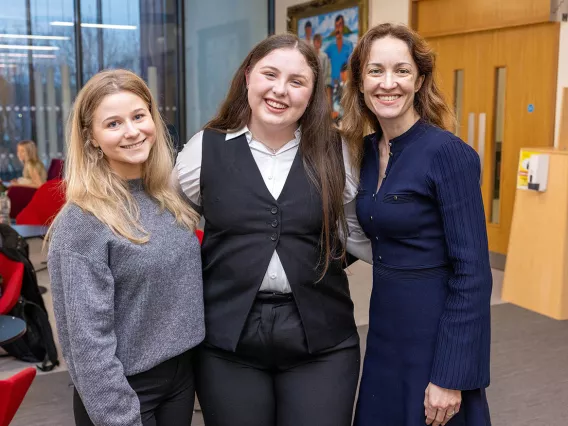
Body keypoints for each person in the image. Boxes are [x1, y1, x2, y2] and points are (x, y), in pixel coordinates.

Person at [175, 34, 371, 426]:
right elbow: (170, 229)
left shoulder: (340, 153)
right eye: (270, 74)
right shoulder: (204, 148)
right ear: (249, 75)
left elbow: (358, 232)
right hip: (228, 341)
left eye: (297, 81)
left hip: (322, 341)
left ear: (313, 92)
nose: (280, 90)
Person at [341, 23, 492, 426]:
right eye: (375, 71)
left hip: (434, 337)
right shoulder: (369, 152)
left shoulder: (447, 154)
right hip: (386, 334)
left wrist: (451, 375)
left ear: (419, 80)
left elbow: (473, 273)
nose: (387, 83)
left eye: (401, 71)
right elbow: (380, 234)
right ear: (358, 81)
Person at [47, 69, 204, 426]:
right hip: (122, 393)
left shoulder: (168, 197)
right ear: (92, 138)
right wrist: (119, 415)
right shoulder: (82, 221)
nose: (132, 131)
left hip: (179, 378)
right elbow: (87, 343)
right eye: (113, 124)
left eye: (138, 116)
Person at [325, 14, 353, 85]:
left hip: (346, 82)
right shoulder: (330, 46)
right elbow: (321, 59)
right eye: (336, 26)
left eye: (340, 25)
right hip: (333, 82)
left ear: (343, 27)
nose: (338, 29)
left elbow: (352, 64)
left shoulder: (349, 45)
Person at [313, 33, 332, 104]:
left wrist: (322, 83)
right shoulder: (311, 55)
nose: (318, 44)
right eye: (317, 42)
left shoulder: (324, 56)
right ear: (314, 42)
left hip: (322, 83)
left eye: (320, 42)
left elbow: (326, 70)